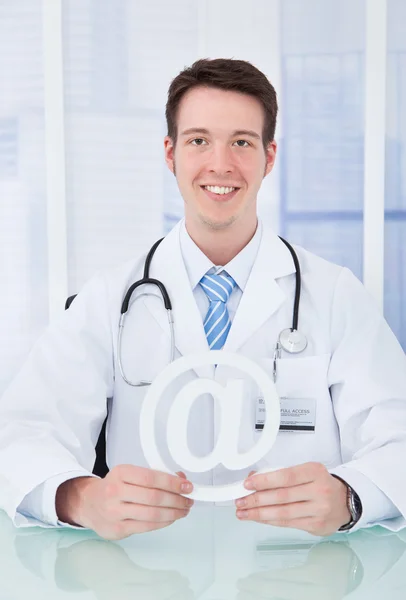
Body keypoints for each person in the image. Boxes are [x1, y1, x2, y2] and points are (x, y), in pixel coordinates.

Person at [0, 58, 405, 542]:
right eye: (198, 141)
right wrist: (80, 498)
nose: (221, 164)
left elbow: (397, 436)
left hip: (298, 571)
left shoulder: (335, 295)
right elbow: (24, 431)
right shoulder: (109, 298)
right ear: (169, 153)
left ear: (268, 157)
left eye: (241, 142)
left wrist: (349, 497)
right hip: (148, 571)